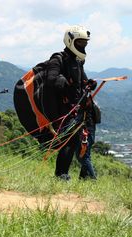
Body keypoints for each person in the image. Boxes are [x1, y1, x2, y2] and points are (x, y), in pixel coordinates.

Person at [46, 25, 97, 181]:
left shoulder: (78, 61)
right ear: (70, 41)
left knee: (83, 143)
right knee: (70, 142)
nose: (83, 45)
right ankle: (61, 174)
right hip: (66, 110)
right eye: (80, 42)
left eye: (85, 43)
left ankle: (84, 177)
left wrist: (89, 83)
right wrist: (63, 82)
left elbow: (82, 81)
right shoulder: (58, 58)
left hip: (80, 108)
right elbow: (51, 79)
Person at [76, 96, 100, 180]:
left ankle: (93, 178)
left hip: (86, 134)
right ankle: (82, 178)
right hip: (90, 133)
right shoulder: (91, 107)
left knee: (82, 157)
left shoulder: (86, 109)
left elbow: (79, 120)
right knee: (85, 156)